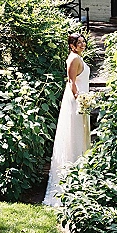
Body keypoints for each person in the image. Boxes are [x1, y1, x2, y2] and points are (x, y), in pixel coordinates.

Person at [43, 33, 91, 206]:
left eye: (83, 41)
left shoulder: (77, 57)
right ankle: (71, 176)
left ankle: (81, 177)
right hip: (75, 101)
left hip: (80, 100)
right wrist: (80, 99)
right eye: (79, 42)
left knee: (80, 134)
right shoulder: (74, 59)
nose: (82, 44)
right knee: (75, 135)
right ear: (72, 45)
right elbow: (72, 82)